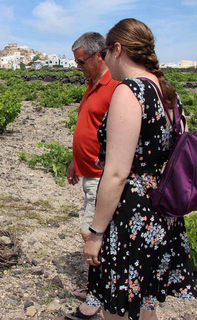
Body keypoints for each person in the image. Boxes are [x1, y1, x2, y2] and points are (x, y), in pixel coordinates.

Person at [83, 18, 196, 320]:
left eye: (105, 52)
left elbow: (118, 174)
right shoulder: (168, 92)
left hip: (132, 214)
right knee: (145, 303)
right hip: (161, 212)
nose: (105, 60)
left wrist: (95, 233)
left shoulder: (130, 91)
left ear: (117, 49)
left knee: (117, 308)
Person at [65, 32, 119, 320]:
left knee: (93, 233)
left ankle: (99, 295)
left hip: (102, 176)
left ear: (99, 55)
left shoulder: (115, 87)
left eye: (81, 61)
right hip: (87, 172)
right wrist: (75, 162)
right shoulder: (92, 84)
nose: (79, 67)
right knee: (95, 234)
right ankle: (97, 287)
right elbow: (88, 127)